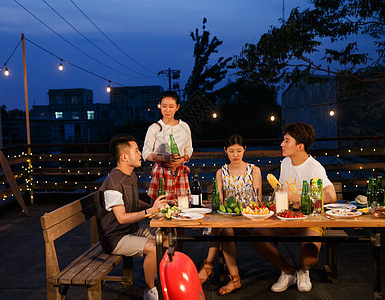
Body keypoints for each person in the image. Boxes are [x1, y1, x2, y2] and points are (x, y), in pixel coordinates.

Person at [252, 122, 336, 293]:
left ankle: (303, 270)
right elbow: (282, 192)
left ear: (299, 146)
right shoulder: (285, 164)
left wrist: (299, 198)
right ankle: (287, 271)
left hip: (309, 221)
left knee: (309, 257)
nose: (282, 144)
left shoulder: (314, 167)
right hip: (286, 219)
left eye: (287, 141)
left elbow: (331, 196)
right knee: (256, 234)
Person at [96, 134, 168, 300]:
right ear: (124, 157)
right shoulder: (114, 181)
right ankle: (150, 290)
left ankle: (155, 275)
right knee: (152, 246)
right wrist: (150, 212)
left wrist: (152, 207)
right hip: (114, 238)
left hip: (130, 230)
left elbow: (135, 201)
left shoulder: (130, 175)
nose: (140, 154)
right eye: (136, 151)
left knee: (165, 236)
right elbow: (121, 218)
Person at [198, 134, 262, 295]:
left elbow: (257, 200)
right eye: (231, 151)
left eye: (239, 151)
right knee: (225, 229)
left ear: (244, 150)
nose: (235, 155)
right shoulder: (221, 172)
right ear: (225, 151)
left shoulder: (254, 170)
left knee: (222, 228)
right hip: (227, 219)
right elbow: (219, 199)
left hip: (247, 219)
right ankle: (235, 279)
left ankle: (207, 267)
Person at [142, 91, 193, 202]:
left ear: (177, 107)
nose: (167, 110)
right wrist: (164, 158)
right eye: (164, 106)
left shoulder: (184, 126)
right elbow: (145, 154)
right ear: (160, 106)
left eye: (171, 106)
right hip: (161, 173)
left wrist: (181, 160)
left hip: (179, 171)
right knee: (159, 209)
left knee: (182, 207)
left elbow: (189, 149)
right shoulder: (154, 128)